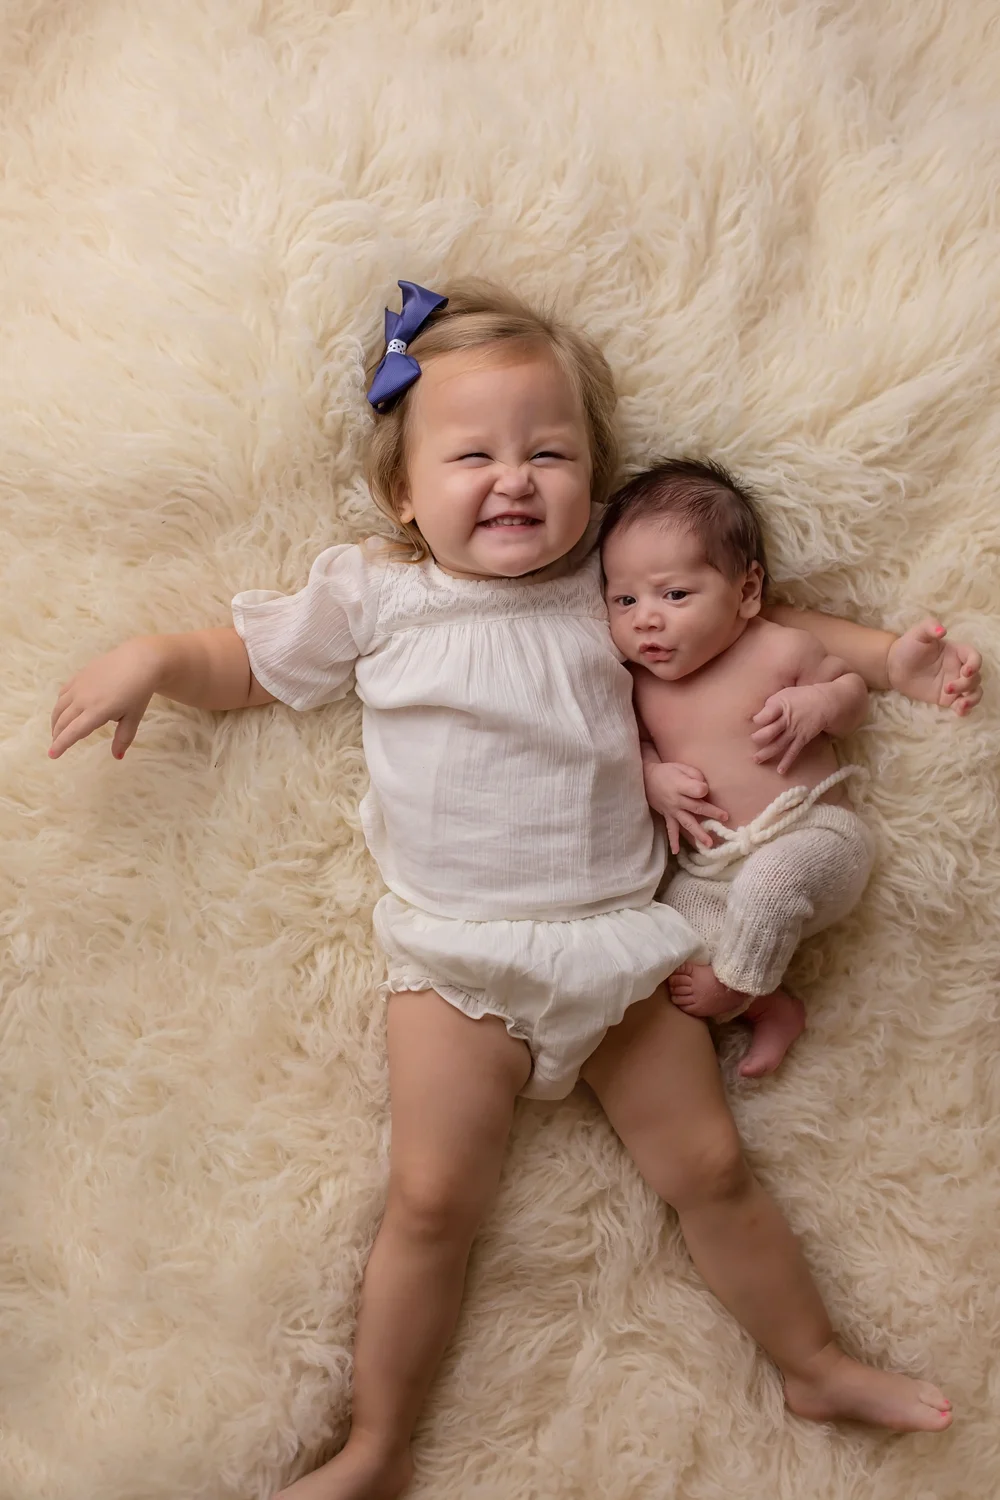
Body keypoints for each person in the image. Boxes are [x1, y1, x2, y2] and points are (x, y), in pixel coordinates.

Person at [49, 281, 973, 1500]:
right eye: (472, 454)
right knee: (431, 1203)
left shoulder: (609, 583)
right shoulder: (380, 594)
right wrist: (159, 659)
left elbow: (764, 622)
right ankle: (378, 1444)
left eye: (551, 451)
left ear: (594, 475)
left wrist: (885, 662)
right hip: (456, 963)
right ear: (402, 493)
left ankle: (808, 1359)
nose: (516, 480)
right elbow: (258, 669)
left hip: (621, 945)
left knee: (710, 1172)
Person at [603, 459, 873, 1076]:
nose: (646, 617)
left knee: (770, 883)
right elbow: (633, 751)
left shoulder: (779, 648)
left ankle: (741, 986)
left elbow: (853, 695)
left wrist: (822, 702)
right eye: (624, 599)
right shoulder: (640, 687)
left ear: (747, 592)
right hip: (717, 868)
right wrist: (653, 778)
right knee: (667, 935)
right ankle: (771, 1006)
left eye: (674, 594)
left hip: (815, 838)